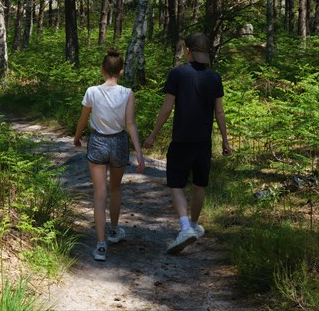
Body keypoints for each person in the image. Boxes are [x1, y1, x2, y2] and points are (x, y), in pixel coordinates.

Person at [144, 32, 232, 255]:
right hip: (204, 141)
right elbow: (219, 112)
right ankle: (193, 226)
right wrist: (225, 141)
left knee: (176, 183)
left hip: (182, 139)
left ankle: (185, 227)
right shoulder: (215, 78)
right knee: (200, 184)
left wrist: (153, 135)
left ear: (188, 51)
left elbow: (166, 108)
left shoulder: (177, 74)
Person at [74, 48, 145, 262]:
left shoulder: (92, 91)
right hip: (119, 142)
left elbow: (83, 119)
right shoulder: (127, 93)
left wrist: (77, 137)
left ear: (102, 69)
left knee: (99, 194)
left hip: (97, 142)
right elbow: (130, 124)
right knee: (115, 189)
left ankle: (101, 245)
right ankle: (114, 230)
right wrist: (139, 152)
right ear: (121, 71)